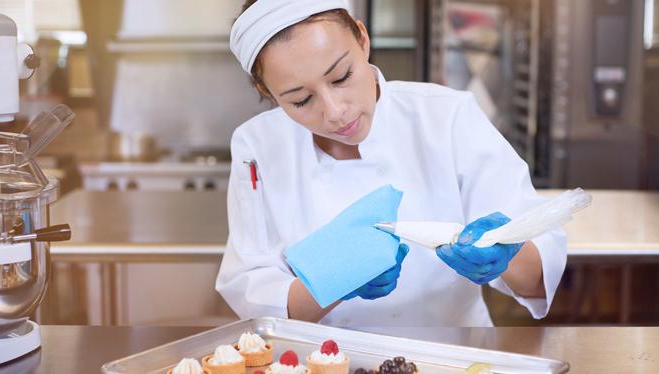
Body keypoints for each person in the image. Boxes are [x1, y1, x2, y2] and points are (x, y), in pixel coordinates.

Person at [216, 0, 566, 333]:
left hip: (452, 357)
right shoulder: (258, 145)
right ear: (267, 90)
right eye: (301, 100)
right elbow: (256, 298)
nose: (335, 111)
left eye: (341, 76)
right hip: (326, 361)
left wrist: (509, 251)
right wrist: (335, 281)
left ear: (362, 39)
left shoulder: (445, 117)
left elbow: (539, 277)